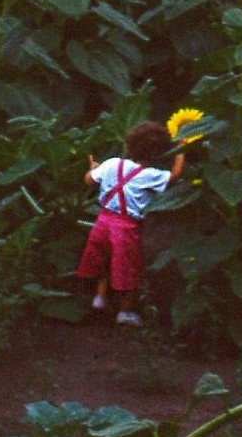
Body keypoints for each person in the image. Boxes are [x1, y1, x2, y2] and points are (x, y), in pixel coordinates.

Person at [76, 120, 185, 328]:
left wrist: (93, 168)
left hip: (103, 221)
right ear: (156, 154)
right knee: (129, 269)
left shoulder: (112, 163)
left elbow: (89, 181)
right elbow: (175, 176)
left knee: (104, 259)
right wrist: (181, 148)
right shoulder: (150, 175)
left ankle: (99, 300)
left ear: (129, 144)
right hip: (125, 228)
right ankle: (124, 313)